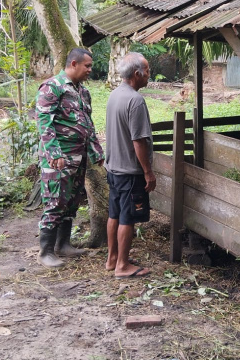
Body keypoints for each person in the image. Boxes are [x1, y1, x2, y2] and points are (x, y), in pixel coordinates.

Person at [36, 48, 104, 268]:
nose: (90, 70)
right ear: (73, 64)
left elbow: (88, 124)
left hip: (79, 157)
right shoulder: (52, 87)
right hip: (59, 158)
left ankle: (63, 244)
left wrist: (96, 152)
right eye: (87, 66)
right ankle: (45, 251)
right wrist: (54, 153)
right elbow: (44, 122)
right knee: (55, 202)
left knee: (71, 201)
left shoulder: (83, 92)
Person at [104, 52, 155, 278]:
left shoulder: (115, 95)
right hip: (129, 171)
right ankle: (123, 266)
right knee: (128, 217)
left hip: (113, 168)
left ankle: (112, 258)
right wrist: (148, 172)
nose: (149, 75)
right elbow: (138, 141)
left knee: (114, 214)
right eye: (148, 71)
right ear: (137, 74)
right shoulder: (136, 101)